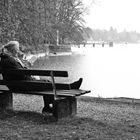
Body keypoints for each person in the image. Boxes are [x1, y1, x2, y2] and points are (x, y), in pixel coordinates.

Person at [0, 41, 83, 115]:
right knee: (46, 83)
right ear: (13, 50)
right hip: (21, 85)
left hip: (17, 84)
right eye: (17, 49)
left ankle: (48, 106)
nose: (18, 51)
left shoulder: (7, 59)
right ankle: (69, 87)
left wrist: (25, 68)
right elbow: (22, 74)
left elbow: (19, 73)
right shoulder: (10, 60)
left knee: (46, 82)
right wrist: (28, 67)